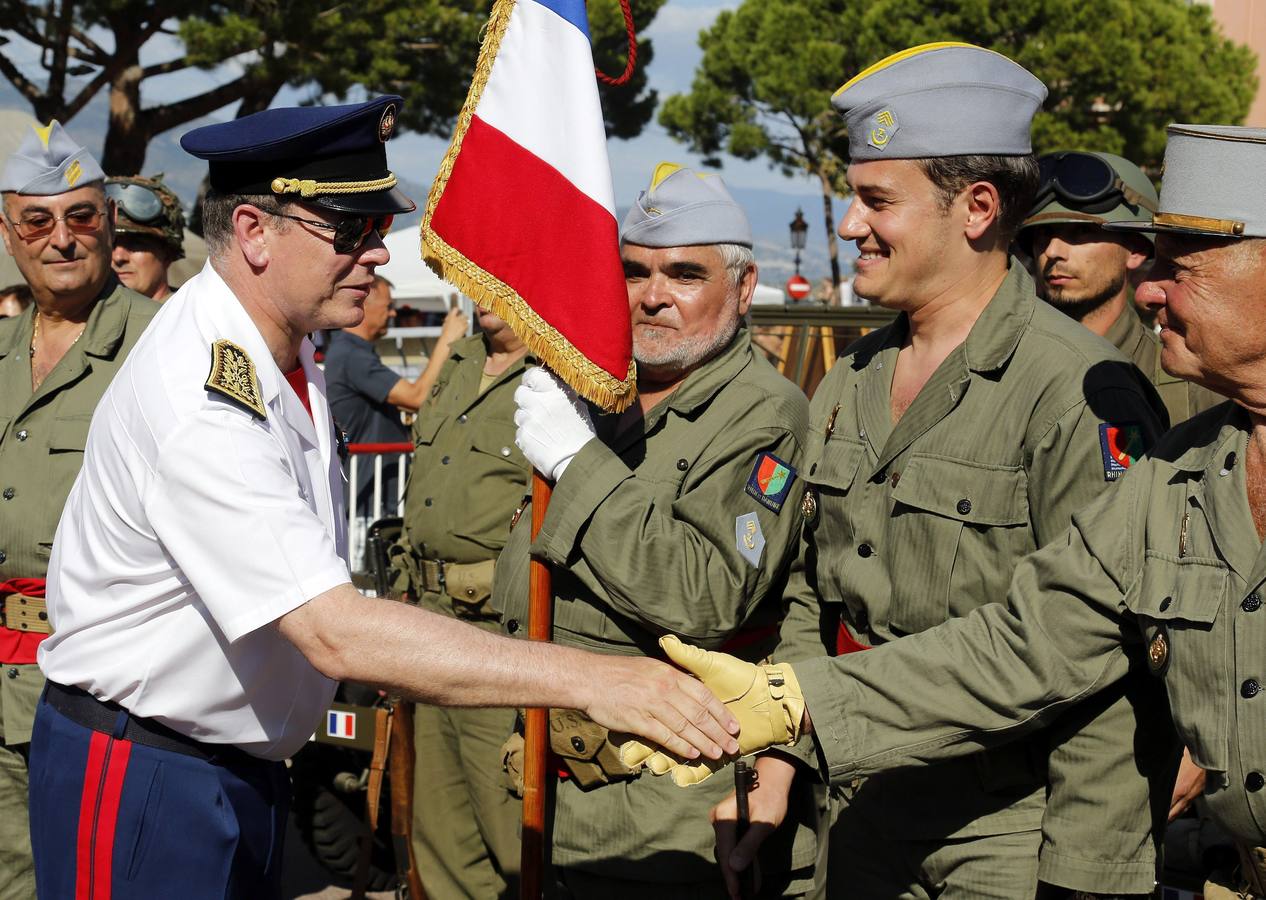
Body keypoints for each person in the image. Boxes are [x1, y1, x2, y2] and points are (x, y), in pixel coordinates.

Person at [26, 96, 739, 900]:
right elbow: (334, 633)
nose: (375, 255)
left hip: (224, 764)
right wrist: (601, 680)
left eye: (375, 230)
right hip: (149, 772)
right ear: (256, 233)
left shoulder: (281, 355)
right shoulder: (202, 391)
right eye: (349, 231)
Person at [659, 123, 1266, 900]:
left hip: (1008, 818)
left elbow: (1111, 697)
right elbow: (1032, 640)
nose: (1149, 284)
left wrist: (1090, 873)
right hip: (871, 788)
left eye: (1183, 265)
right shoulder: (1184, 471)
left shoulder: (1080, 390)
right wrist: (790, 712)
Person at [497, 162, 814, 899]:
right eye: (634, 271)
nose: (651, 296)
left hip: (664, 811)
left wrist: (577, 463)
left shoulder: (762, 413)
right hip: (550, 788)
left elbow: (706, 594)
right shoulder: (605, 391)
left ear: (742, 287)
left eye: (683, 274)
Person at [0, 120, 158, 900]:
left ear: (110, 223)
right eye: (37, 220)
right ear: (8, 233)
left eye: (82, 217)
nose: (61, 240)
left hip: (99, 693)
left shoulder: (164, 347)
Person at [393, 302, 532, 900]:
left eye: (498, 273)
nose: (481, 290)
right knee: (441, 830)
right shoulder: (460, 358)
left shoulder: (559, 377)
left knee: (508, 828)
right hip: (424, 618)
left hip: (497, 633)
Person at [1020, 151, 1223, 423]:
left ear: (1135, 250)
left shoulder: (1189, 385)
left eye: (1081, 232)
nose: (1053, 251)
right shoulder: (1002, 369)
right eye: (1043, 235)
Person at [324, 273, 468, 510]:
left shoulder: (352, 351)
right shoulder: (351, 355)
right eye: (389, 306)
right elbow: (415, 397)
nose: (393, 314)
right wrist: (448, 339)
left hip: (374, 492)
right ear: (363, 304)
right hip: (367, 501)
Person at [105, 174, 185, 301]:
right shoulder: (88, 316)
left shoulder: (191, 316)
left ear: (168, 253)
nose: (118, 257)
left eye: (136, 243)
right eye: (110, 243)